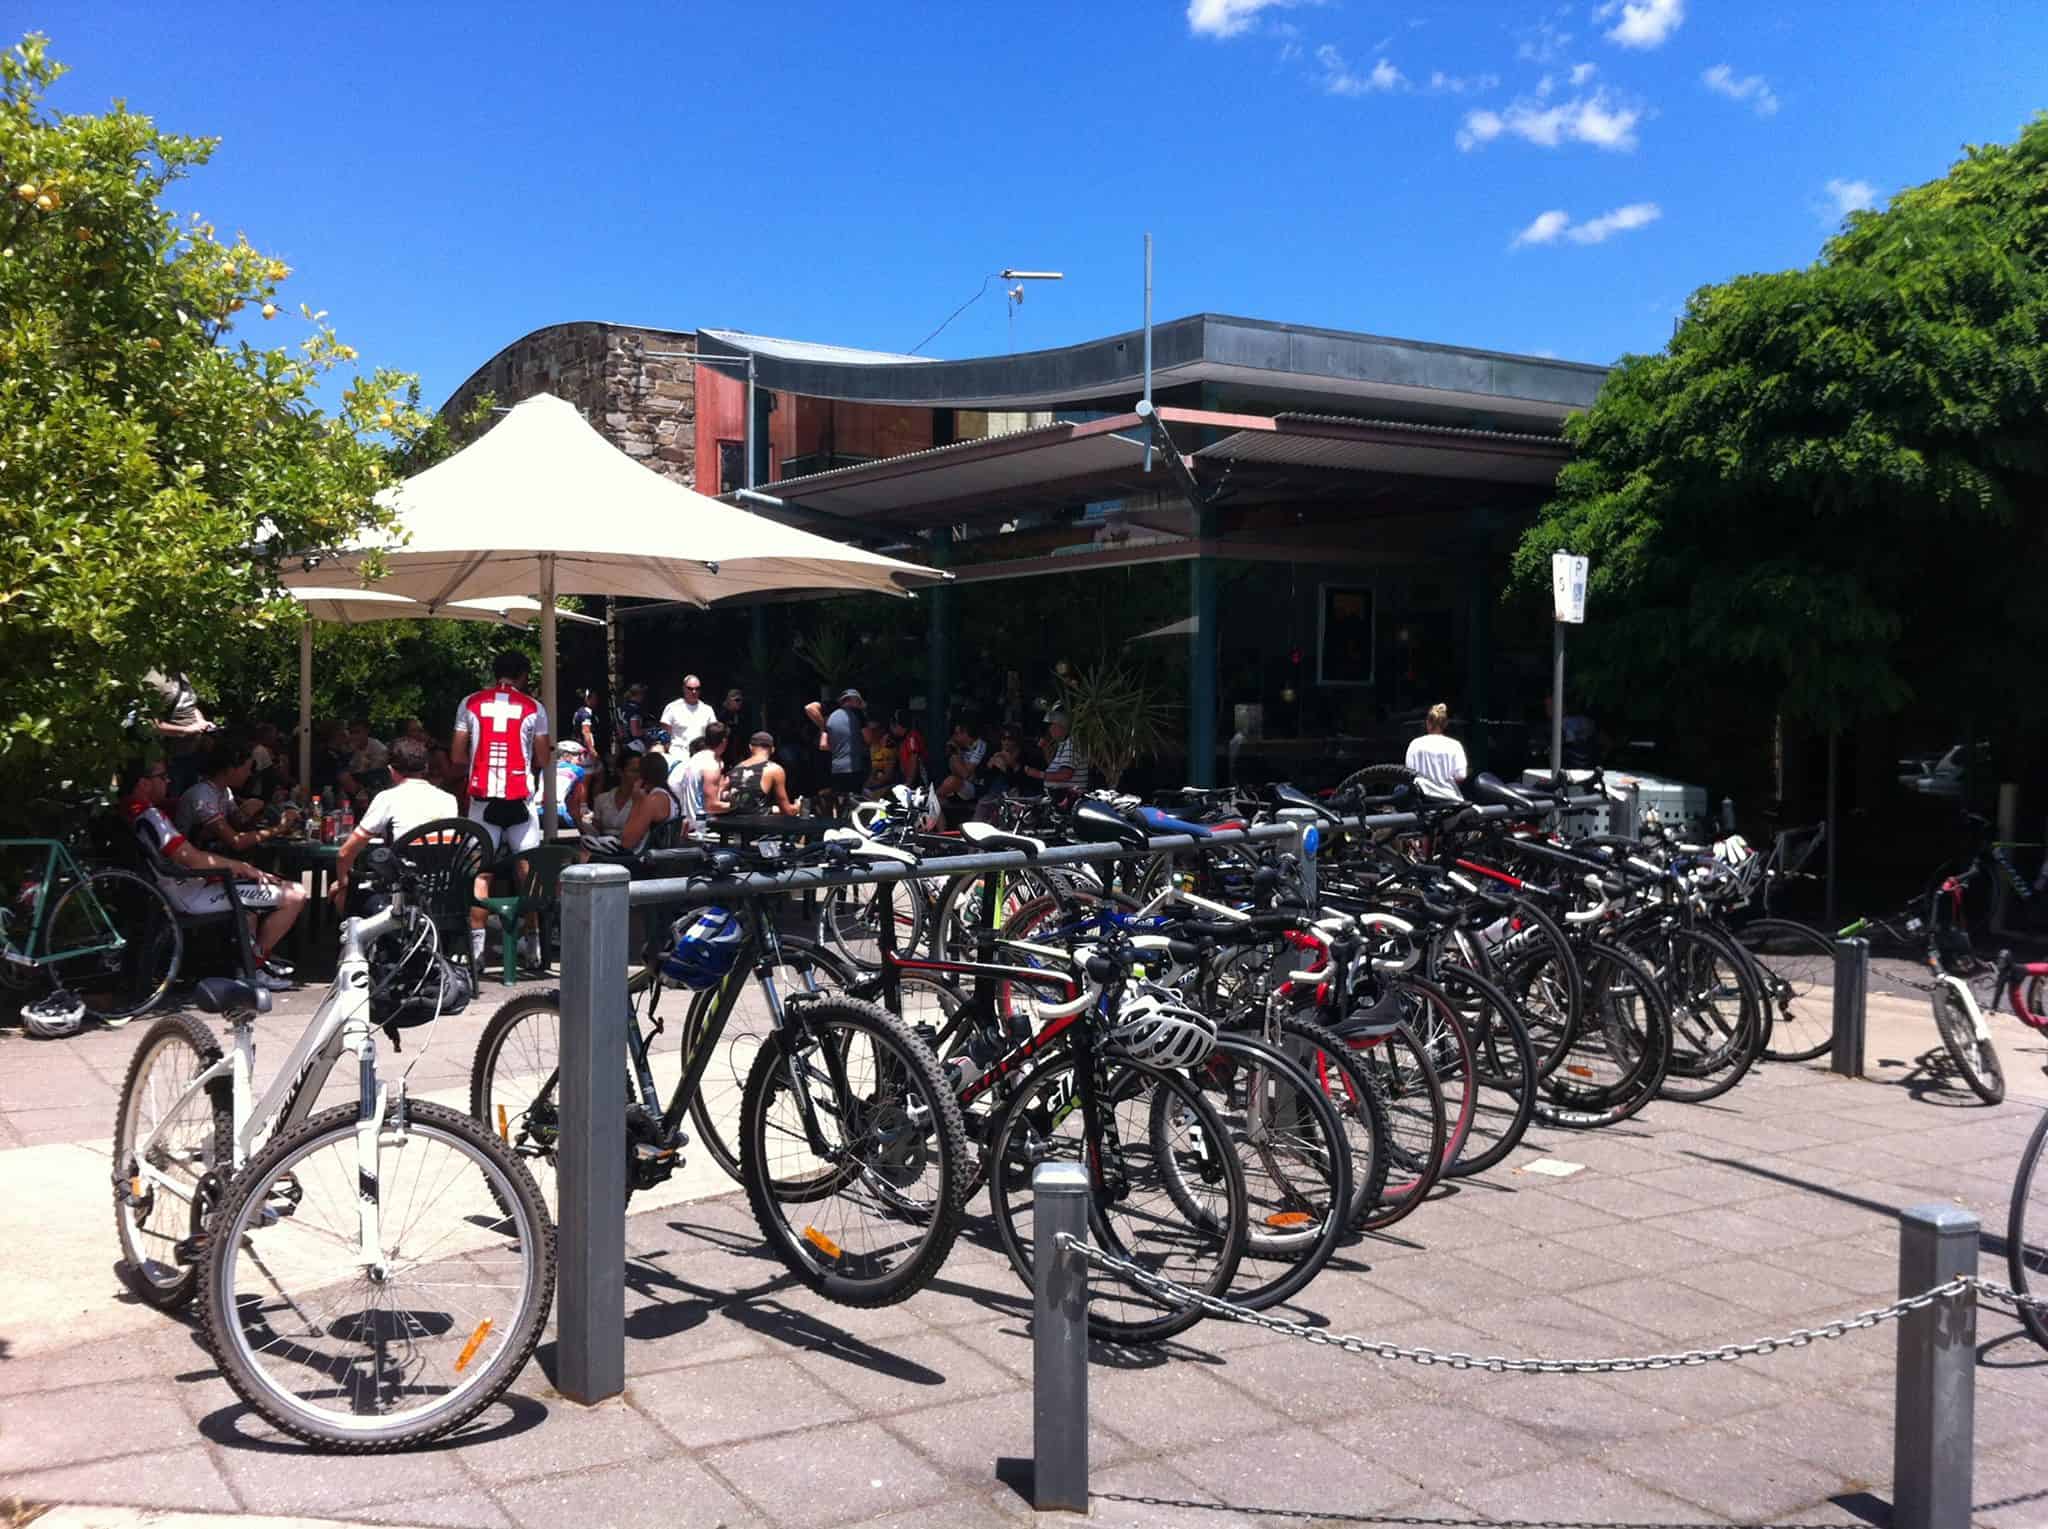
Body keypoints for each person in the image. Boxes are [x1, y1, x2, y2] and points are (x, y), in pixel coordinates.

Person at [121, 757, 306, 991]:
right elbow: (195, 858)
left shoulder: (133, 811)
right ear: (143, 783)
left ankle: (249, 965)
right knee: (295, 895)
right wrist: (244, 868)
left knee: (251, 902)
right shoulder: (152, 817)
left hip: (176, 887)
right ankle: (256, 966)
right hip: (188, 894)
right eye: (162, 776)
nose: (168, 781)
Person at [451, 650, 551, 968]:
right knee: (528, 873)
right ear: (522, 676)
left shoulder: (470, 702)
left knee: (482, 874)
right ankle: (533, 947)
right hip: (520, 798)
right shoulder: (535, 708)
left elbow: (456, 755)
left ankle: (477, 952)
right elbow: (544, 760)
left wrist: (478, 767)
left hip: (483, 800)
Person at [330, 736, 460, 910]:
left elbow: (345, 853)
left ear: (391, 770)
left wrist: (342, 882)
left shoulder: (388, 798)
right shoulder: (449, 800)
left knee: (343, 895)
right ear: (426, 767)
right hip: (442, 896)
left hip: (398, 897)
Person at [177, 737, 301, 853]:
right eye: (246, 769)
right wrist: (280, 827)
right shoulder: (202, 796)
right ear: (231, 769)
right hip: (193, 864)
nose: (249, 774)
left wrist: (254, 811)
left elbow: (238, 825)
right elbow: (237, 842)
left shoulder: (224, 791)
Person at [804, 687, 867, 810]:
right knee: (849, 798)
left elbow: (823, 745)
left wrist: (825, 728)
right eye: (858, 702)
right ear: (852, 700)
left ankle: (830, 822)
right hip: (847, 763)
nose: (859, 706)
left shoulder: (832, 711)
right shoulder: (852, 712)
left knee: (833, 796)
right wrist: (824, 727)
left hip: (832, 762)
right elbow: (809, 707)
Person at [617, 751, 687, 853]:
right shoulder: (671, 796)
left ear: (642, 776)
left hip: (643, 861)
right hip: (664, 857)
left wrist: (636, 803)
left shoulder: (652, 801)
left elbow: (627, 842)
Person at [723, 732, 799, 816]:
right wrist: (797, 806)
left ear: (750, 747)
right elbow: (787, 811)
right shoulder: (774, 769)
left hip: (732, 824)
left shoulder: (735, 769)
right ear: (773, 749)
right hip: (758, 826)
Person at [1404, 703, 1469, 791]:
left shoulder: (1415, 744)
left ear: (1427, 723)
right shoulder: (1455, 745)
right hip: (1449, 798)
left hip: (1421, 799)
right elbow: (1461, 775)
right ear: (1445, 724)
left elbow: (1409, 772)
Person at [1029, 709, 1089, 796]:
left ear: (1062, 725)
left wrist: (1038, 774)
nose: (1050, 729)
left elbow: (1065, 775)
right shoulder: (1064, 743)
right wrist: (1045, 748)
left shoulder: (1072, 743)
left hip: (1068, 799)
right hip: (1060, 797)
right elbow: (1056, 769)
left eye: (1052, 725)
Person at [935, 712, 987, 811]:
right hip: (959, 786)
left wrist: (956, 754)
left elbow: (965, 774)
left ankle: (934, 799)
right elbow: (954, 770)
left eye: (956, 734)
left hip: (976, 787)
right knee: (940, 798)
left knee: (951, 779)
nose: (954, 737)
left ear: (965, 734)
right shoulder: (959, 747)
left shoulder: (980, 745)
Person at [681, 721, 729, 827]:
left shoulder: (696, 758)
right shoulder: (711, 765)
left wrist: (722, 787)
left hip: (689, 822)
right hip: (702, 828)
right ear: (724, 741)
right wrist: (739, 806)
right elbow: (711, 806)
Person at [584, 754, 638, 835]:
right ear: (620, 772)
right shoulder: (602, 800)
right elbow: (595, 832)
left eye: (641, 771)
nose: (638, 775)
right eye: (634, 771)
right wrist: (577, 819)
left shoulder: (644, 801)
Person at [661, 674, 715, 748]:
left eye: (697, 688)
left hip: (700, 753)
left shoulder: (708, 710)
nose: (694, 691)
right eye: (690, 688)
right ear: (683, 688)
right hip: (678, 752)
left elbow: (713, 734)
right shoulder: (672, 708)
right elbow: (665, 735)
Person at [550, 739, 592, 827]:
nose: (581, 759)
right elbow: (575, 802)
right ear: (566, 755)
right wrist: (579, 822)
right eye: (578, 755)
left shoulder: (546, 768)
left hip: (538, 811)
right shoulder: (578, 770)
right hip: (558, 814)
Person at [891, 709, 928, 789]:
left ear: (898, 725)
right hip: (907, 780)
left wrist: (908, 783)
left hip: (916, 783)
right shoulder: (904, 739)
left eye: (893, 725)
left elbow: (914, 758)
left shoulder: (912, 737)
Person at [864, 720, 898, 793]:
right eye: (868, 729)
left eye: (873, 730)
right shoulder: (871, 746)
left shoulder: (889, 746)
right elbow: (872, 770)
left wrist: (872, 785)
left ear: (881, 730)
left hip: (886, 787)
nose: (869, 732)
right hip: (872, 786)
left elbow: (888, 775)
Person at [616, 682, 649, 755]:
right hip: (636, 745)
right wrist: (650, 730)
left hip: (624, 744)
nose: (644, 697)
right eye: (643, 694)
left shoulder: (621, 707)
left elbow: (619, 728)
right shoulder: (635, 709)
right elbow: (635, 732)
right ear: (639, 695)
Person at [571, 687, 600, 756]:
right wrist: (592, 750)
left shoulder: (582, 711)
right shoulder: (586, 712)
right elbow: (586, 731)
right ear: (587, 699)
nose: (596, 700)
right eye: (594, 698)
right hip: (583, 748)